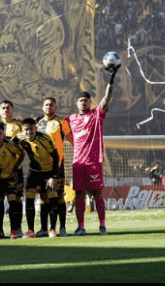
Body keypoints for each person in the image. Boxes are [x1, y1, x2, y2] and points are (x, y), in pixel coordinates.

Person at [65, 63, 119, 236]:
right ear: (76, 103)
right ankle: (81, 226)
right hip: (78, 164)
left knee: (97, 194)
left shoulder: (96, 115)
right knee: (79, 195)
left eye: (86, 100)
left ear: (90, 102)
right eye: (80, 101)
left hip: (94, 162)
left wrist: (111, 78)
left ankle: (102, 225)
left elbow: (107, 97)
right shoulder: (70, 119)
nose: (83, 103)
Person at [36, 97, 73, 237]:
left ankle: (60, 228)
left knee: (58, 197)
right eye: (46, 104)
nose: (48, 107)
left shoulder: (61, 123)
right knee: (44, 197)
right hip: (41, 166)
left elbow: (73, 139)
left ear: (55, 107)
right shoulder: (38, 123)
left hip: (57, 166)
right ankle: (44, 228)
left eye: (51, 105)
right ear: (42, 107)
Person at [18, 118, 59, 238]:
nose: (29, 132)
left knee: (51, 200)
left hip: (48, 173)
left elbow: (56, 157)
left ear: (36, 128)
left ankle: (51, 229)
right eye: (26, 130)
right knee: (29, 200)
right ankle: (31, 230)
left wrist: (53, 176)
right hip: (34, 173)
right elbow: (7, 142)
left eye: (31, 129)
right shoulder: (20, 138)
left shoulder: (44, 138)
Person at [0, 100, 25, 238]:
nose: (5, 110)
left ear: (12, 110)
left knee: (16, 200)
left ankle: (16, 229)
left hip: (15, 170)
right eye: (3, 108)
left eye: (8, 108)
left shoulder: (18, 126)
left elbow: (23, 146)